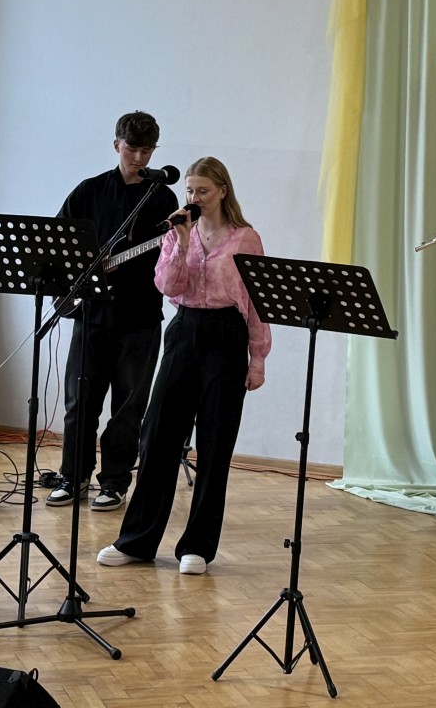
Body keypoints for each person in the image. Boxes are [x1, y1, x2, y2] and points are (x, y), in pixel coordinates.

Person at [99, 156, 270, 573]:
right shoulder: (177, 234)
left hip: (227, 335)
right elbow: (167, 285)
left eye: (203, 191)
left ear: (223, 192)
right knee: (157, 436)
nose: (194, 197)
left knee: (215, 443)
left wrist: (258, 358)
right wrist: (181, 240)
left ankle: (198, 546)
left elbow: (256, 304)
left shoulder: (246, 238)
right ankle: (137, 541)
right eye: (190, 190)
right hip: (184, 330)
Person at [49, 110, 179, 511]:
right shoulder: (89, 191)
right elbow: (60, 242)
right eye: (131, 149)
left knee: (128, 406)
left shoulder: (162, 197)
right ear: (116, 145)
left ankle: (115, 482)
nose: (139, 158)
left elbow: (170, 256)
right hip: (91, 314)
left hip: (140, 317)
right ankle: (73, 477)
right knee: (80, 402)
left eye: (147, 150)